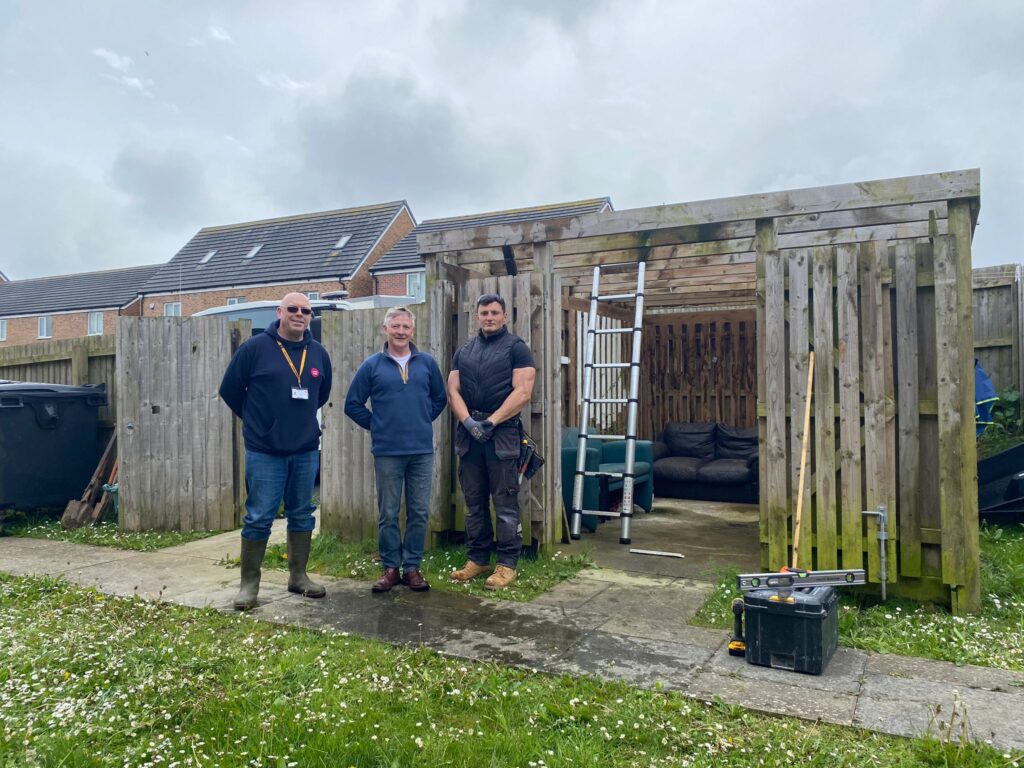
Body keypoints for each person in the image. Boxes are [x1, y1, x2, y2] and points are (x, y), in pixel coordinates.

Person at [219, 292, 333, 610]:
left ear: (310, 316)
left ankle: (298, 577)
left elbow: (321, 393)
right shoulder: (255, 349)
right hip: (264, 450)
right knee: (258, 517)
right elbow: (229, 390)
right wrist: (260, 423)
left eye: (305, 310)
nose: (299, 314)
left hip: (305, 449)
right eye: (293, 309)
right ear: (280, 312)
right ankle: (249, 586)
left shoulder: (318, 354)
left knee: (302, 514)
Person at [344, 307, 447, 593]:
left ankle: (412, 568)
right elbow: (352, 404)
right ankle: (390, 568)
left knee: (419, 511)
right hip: (387, 452)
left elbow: (440, 399)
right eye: (396, 326)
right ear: (385, 329)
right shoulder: (372, 365)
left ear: (412, 331)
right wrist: (378, 426)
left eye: (406, 327)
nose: (401, 331)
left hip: (421, 451)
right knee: (388, 513)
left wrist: (422, 420)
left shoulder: (426, 363)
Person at [447, 293, 536, 590]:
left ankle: (507, 564)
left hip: (503, 436)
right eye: (484, 312)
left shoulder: (518, 349)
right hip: (470, 436)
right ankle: (478, 559)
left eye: (495, 312)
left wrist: (491, 421)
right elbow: (453, 391)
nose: (489, 317)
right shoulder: (464, 351)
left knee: (505, 502)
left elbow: (523, 392)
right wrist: (469, 423)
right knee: (474, 503)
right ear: (477, 316)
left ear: (505, 316)